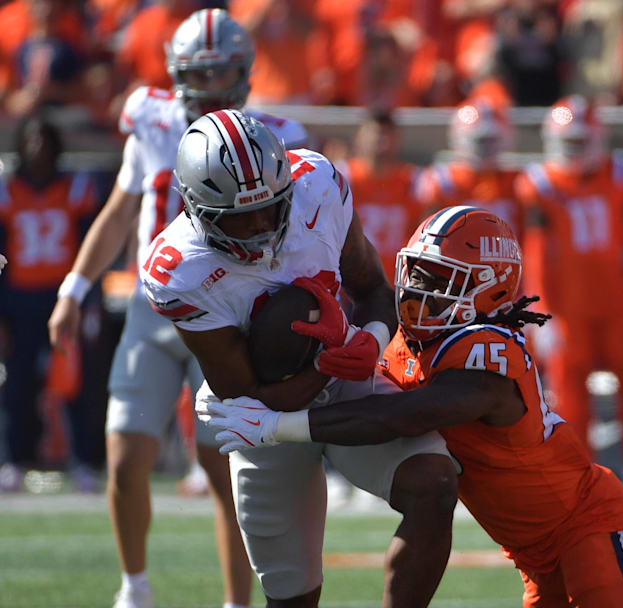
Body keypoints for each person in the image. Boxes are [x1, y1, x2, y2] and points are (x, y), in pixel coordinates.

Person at [199, 205, 623, 608]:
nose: (417, 290)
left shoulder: (490, 353)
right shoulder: (408, 342)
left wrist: (278, 426)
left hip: (586, 526)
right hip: (532, 555)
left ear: (491, 289)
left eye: (439, 279)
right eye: (415, 272)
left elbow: (401, 416)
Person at [142, 109, 458, 607]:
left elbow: (374, 288)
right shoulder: (179, 270)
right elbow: (246, 397)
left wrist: (370, 342)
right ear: (196, 208)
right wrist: (328, 360)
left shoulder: (317, 184)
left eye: (270, 205)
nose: (262, 224)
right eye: (241, 216)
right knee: (292, 597)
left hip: (343, 379)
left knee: (434, 484)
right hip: (261, 414)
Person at [45, 10, 306, 608]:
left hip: (224, 312)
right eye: (199, 73)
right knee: (123, 456)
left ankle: (237, 601)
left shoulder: (271, 135)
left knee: (225, 472)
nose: (211, 86)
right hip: (152, 307)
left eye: (222, 74)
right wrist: (73, 290)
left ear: (243, 73)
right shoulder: (154, 122)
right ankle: (134, 590)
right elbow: (119, 211)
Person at [516, 95, 623, 498]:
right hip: (569, 306)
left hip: (616, 300)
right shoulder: (538, 184)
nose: (573, 150)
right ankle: (581, 471)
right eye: (568, 141)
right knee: (571, 393)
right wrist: (541, 310)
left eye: (581, 141)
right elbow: (536, 252)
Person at [0, 115, 97, 490]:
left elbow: (91, 249)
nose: (37, 147)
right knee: (17, 383)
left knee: (71, 384)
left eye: (44, 138)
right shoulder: (7, 192)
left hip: (62, 300)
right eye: (31, 139)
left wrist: (87, 301)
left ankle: (82, 460)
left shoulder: (76, 188)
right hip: (19, 300)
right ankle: (14, 460)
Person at [415, 97, 522, 237]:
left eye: (491, 141)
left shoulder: (518, 182)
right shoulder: (442, 181)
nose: (486, 148)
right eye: (480, 141)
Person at [344, 110, 423, 280]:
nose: (381, 142)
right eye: (375, 134)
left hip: (400, 283)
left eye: (387, 135)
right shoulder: (344, 177)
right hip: (352, 287)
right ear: (359, 137)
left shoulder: (413, 181)